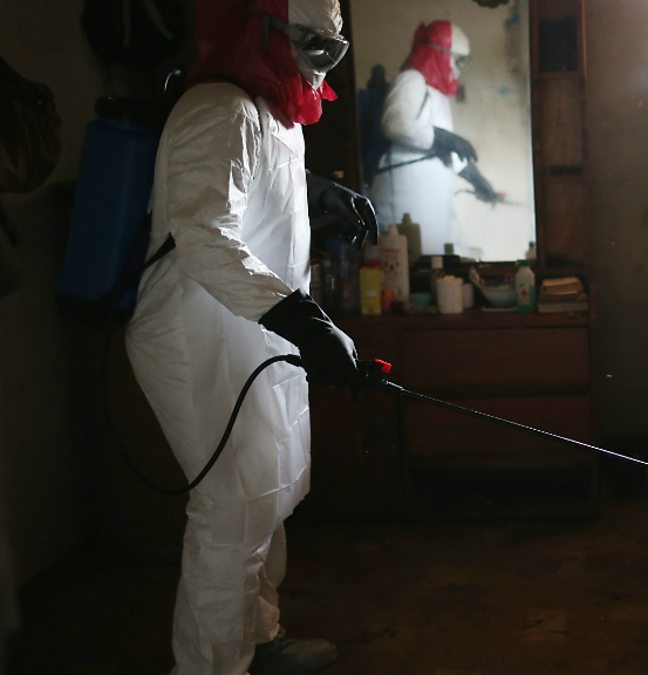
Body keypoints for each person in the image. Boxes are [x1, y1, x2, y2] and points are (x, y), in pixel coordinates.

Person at [125, 1, 365, 673]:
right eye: (311, 48)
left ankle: (258, 639)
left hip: (249, 324)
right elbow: (204, 234)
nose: (319, 67)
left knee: (268, 486)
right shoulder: (216, 108)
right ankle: (208, 666)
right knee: (230, 508)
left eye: (329, 52)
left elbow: (255, 177)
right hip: (191, 332)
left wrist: (320, 193)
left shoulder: (269, 112)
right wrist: (300, 318)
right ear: (261, 32)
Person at [368, 20, 501, 255]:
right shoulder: (411, 79)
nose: (459, 68)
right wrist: (448, 140)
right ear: (440, 54)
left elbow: (442, 145)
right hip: (406, 193)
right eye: (458, 60)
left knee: (438, 254)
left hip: (431, 196)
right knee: (408, 259)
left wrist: (475, 178)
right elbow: (396, 124)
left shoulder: (437, 95)